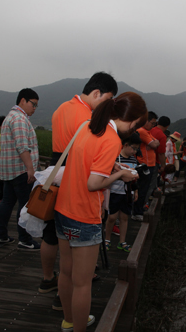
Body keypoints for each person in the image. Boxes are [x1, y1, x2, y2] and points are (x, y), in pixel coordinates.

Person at [54, 92, 147, 332]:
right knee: (83, 283)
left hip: (63, 208)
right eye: (137, 124)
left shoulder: (88, 125)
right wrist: (122, 175)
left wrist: (113, 166)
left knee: (65, 273)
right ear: (132, 120)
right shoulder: (112, 139)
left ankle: (68, 320)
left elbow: (84, 161)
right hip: (83, 215)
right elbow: (93, 184)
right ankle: (79, 328)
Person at [42, 72, 118, 308]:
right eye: (108, 99)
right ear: (97, 94)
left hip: (56, 171)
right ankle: (65, 298)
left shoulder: (61, 108)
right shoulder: (88, 116)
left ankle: (47, 279)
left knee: (51, 232)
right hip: (76, 176)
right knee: (75, 243)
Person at [0, 88, 41, 250]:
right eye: (33, 104)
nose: (34, 108)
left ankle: (0, 235)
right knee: (25, 205)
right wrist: (30, 169)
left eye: (36, 106)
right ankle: (25, 239)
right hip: (21, 170)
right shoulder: (20, 119)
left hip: (10, 171)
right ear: (23, 101)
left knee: (7, 202)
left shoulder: (9, 117)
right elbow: (22, 147)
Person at [104, 132, 141, 253]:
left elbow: (134, 177)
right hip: (114, 191)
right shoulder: (114, 158)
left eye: (137, 149)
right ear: (125, 145)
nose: (135, 151)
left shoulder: (133, 160)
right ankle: (107, 239)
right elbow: (107, 174)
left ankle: (122, 241)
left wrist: (135, 190)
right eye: (133, 148)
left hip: (127, 192)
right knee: (112, 217)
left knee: (125, 217)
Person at [133, 112, 159, 221]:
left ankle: (139, 210)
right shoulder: (142, 131)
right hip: (144, 165)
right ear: (146, 121)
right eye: (152, 123)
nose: (153, 126)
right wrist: (152, 144)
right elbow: (154, 144)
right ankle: (137, 212)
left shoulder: (148, 132)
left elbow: (157, 143)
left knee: (145, 188)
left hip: (150, 164)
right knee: (142, 189)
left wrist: (153, 143)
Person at [146, 115, 170, 202]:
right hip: (153, 162)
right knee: (151, 184)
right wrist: (163, 165)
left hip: (144, 159)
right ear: (167, 126)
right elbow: (161, 153)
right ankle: (145, 204)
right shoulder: (162, 136)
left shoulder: (149, 130)